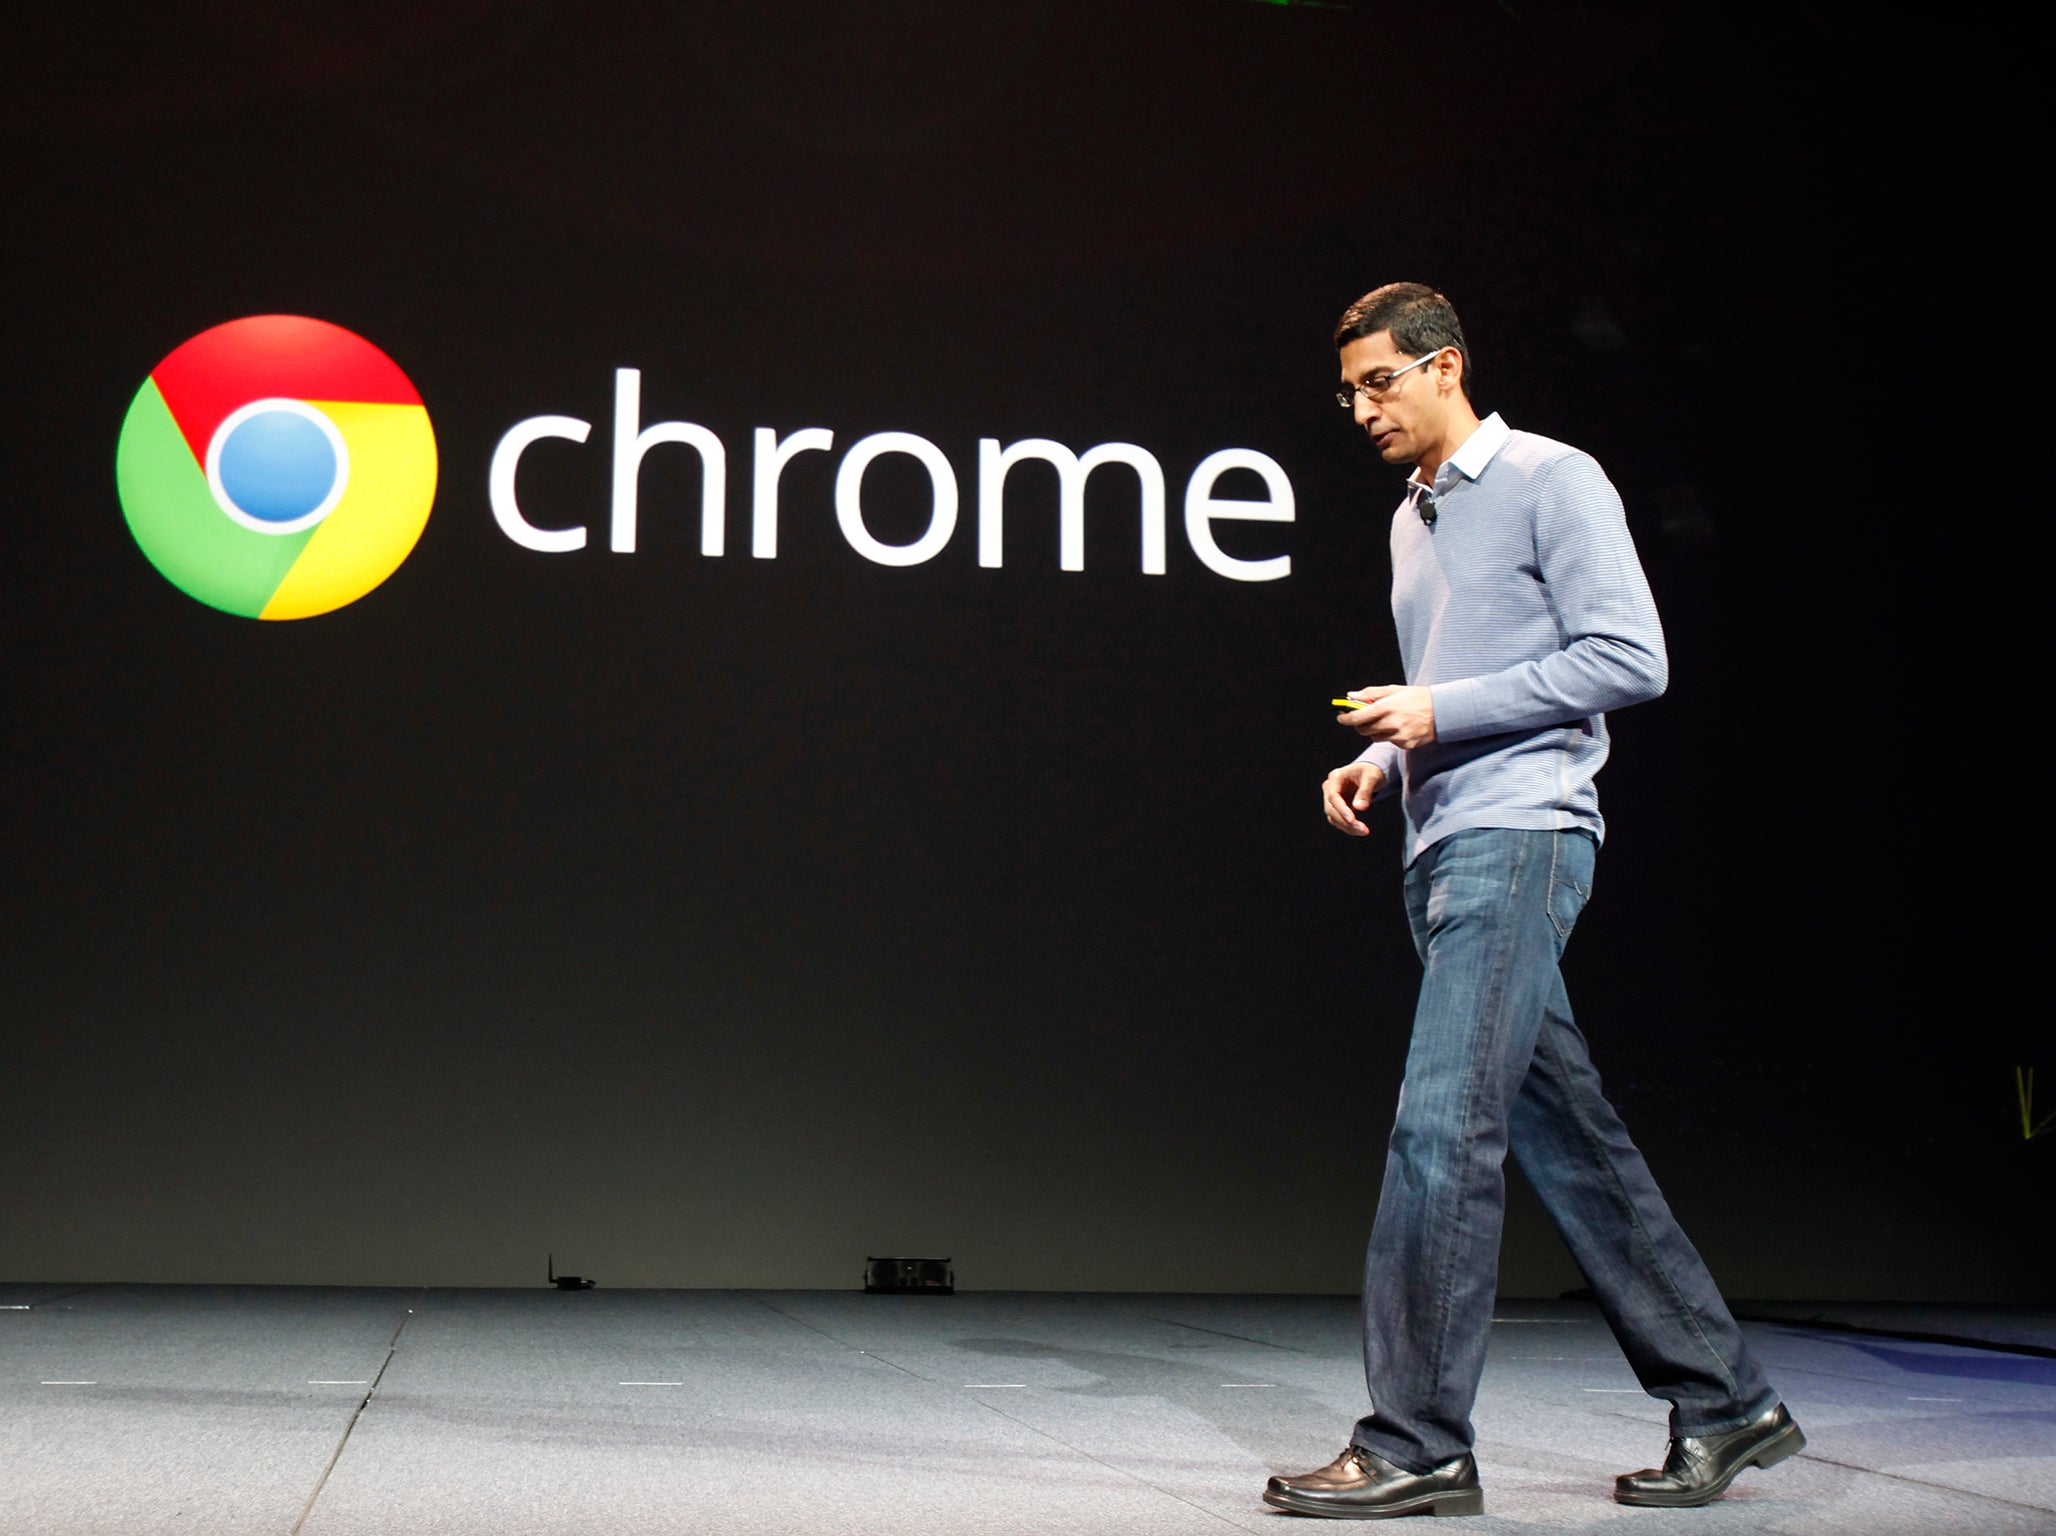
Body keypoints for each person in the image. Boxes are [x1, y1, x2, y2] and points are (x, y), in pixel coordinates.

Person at [1262, 284, 1804, 1520]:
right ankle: (1726, 1399)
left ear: (1444, 365)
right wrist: (1388, 754)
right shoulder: (1410, 522)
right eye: (1347, 391)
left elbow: (1629, 659)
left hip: (1524, 838)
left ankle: (1416, 1441)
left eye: (1378, 383)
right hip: (1442, 846)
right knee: (1571, 1141)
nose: (1360, 408)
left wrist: (1438, 714)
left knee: (1440, 1130)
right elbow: (1446, 684)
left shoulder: (1556, 479)